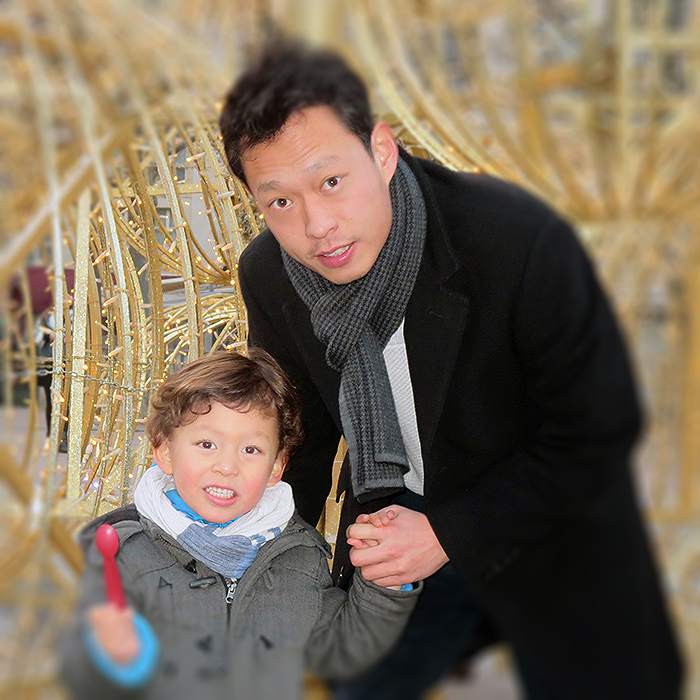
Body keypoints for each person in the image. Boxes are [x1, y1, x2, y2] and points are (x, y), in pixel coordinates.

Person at [218, 39, 684, 700]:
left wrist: (450, 532)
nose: (317, 225)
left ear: (382, 151)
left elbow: (600, 428)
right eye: (280, 202)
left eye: (330, 181)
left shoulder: (513, 237)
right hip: (397, 511)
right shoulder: (272, 273)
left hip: (543, 517)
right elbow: (301, 436)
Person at [59, 349, 420, 700]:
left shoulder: (297, 554)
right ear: (166, 450)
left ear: (276, 466)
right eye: (206, 444)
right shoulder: (119, 551)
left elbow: (341, 650)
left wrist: (384, 581)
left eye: (250, 450)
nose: (227, 466)